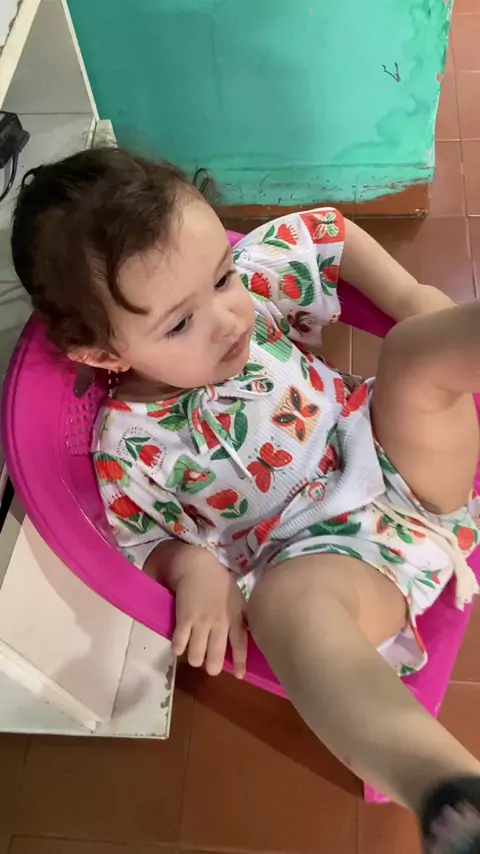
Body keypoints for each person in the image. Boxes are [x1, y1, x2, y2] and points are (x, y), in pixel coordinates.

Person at [11, 146, 480, 851]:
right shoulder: (128, 445)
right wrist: (191, 565)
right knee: (284, 603)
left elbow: (329, 232)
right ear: (106, 355)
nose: (229, 317)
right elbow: (144, 541)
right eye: (179, 324)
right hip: (338, 566)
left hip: (400, 456)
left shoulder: (251, 288)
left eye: (222, 276)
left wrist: (412, 299)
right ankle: (446, 791)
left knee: (416, 350)